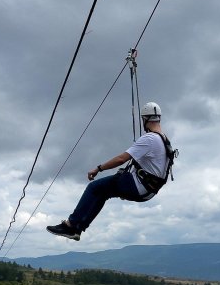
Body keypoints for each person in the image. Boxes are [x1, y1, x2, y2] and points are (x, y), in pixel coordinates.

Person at [47, 101, 174, 241]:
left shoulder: (150, 138)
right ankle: (77, 228)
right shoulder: (164, 140)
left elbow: (121, 159)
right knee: (103, 193)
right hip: (148, 189)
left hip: (137, 185)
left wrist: (98, 168)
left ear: (145, 119)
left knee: (93, 187)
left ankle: (71, 225)